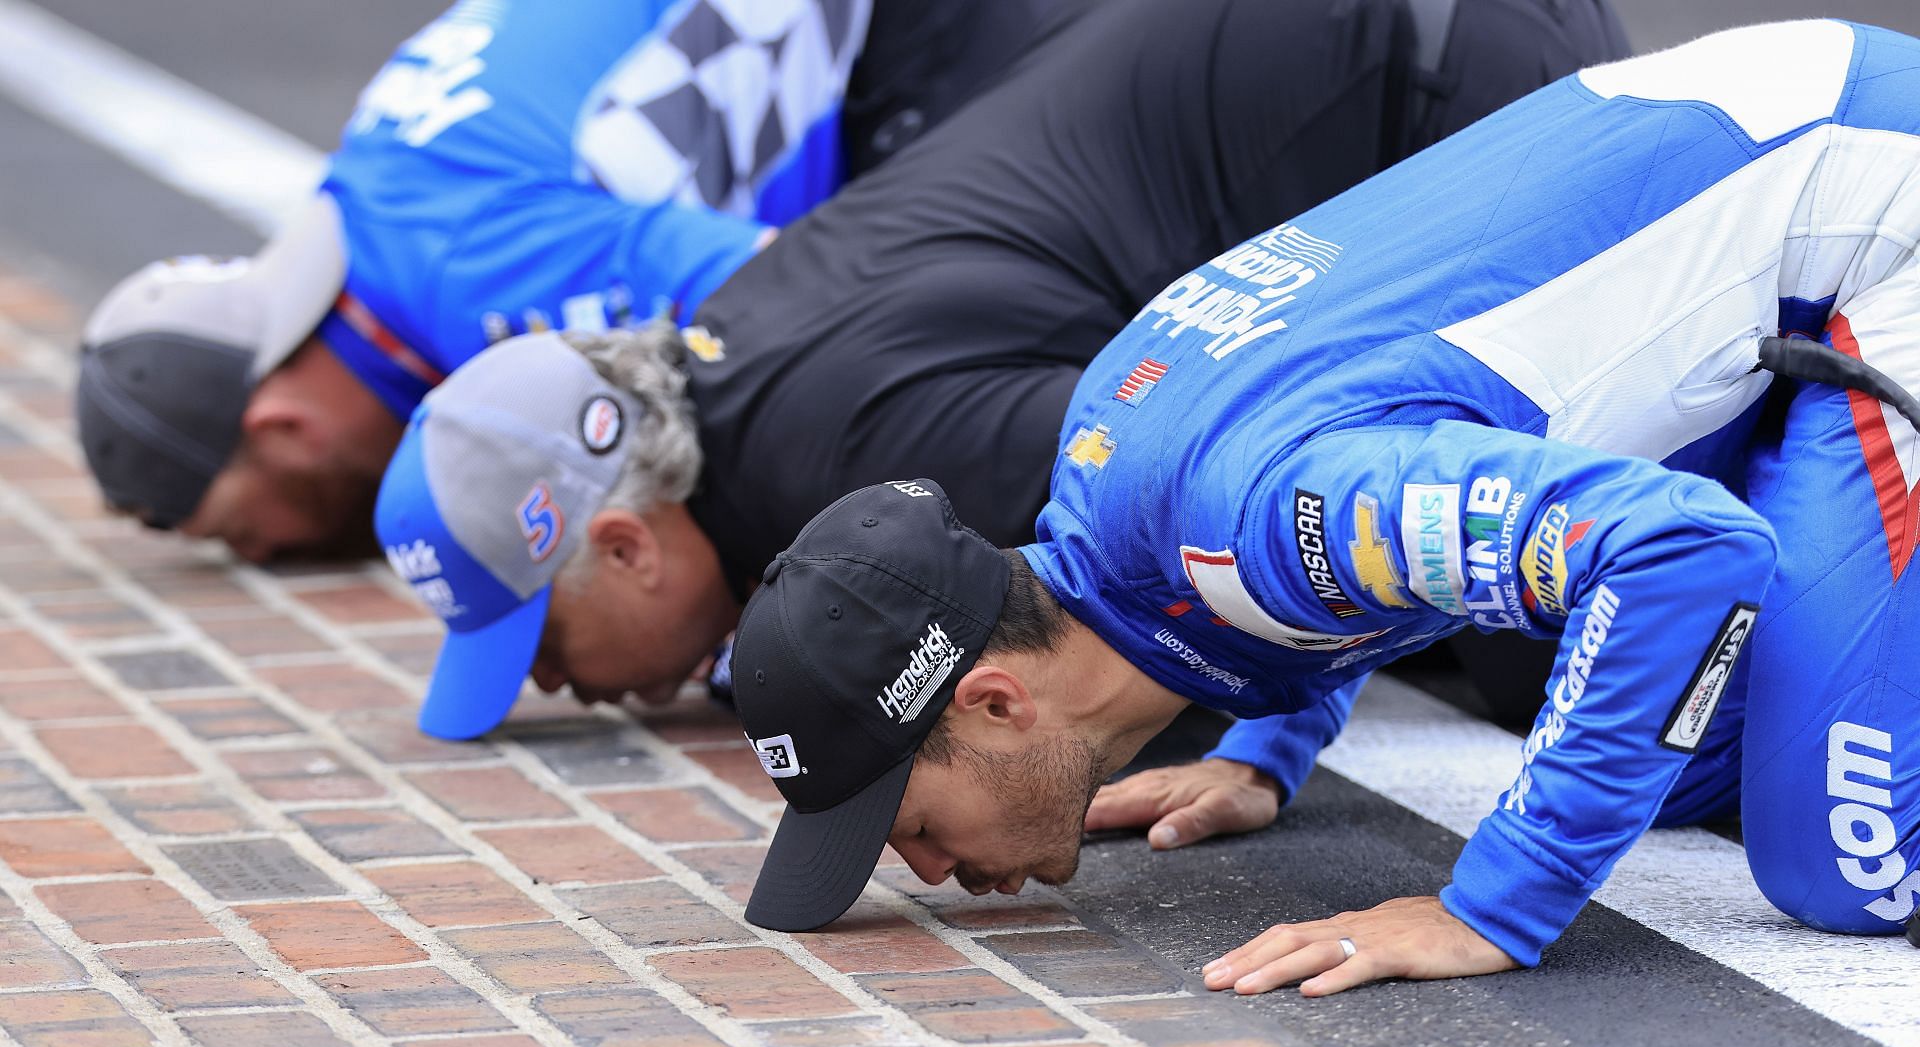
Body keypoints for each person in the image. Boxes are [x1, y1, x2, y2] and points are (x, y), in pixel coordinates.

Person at [727, 20, 1920, 989]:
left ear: (993, 700)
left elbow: (1681, 554)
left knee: (1841, 858)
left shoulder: (1251, 519)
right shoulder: (1113, 471)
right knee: (1682, 756)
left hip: (1877, 205)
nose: (928, 871)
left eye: (908, 820)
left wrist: (1494, 906)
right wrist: (1266, 743)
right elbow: (1363, 532)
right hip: (1779, 166)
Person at [372, 0, 1630, 739]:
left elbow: (1218, 465)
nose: (553, 682)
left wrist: (1254, 731)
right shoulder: (739, 359)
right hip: (1366, 68)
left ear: (630, 541)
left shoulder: (843, 445)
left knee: (1546, 646)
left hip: (1443, 77)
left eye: (541, 633)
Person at [71, 0, 1077, 563]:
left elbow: (810, 302)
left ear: (285, 432)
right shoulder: (378, 197)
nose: (264, 556)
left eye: (245, 535)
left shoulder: (479, 283)